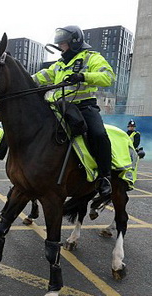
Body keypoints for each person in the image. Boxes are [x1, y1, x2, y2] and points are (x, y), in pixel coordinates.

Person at [32, 25, 115, 198]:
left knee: (99, 134)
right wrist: (21, 79)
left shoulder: (91, 57)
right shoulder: (59, 65)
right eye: (60, 44)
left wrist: (84, 76)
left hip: (84, 107)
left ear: (75, 42)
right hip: (60, 108)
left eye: (63, 43)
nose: (61, 47)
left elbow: (108, 76)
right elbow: (41, 77)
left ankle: (105, 177)